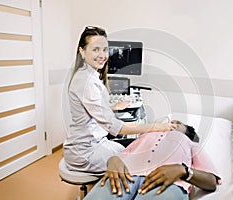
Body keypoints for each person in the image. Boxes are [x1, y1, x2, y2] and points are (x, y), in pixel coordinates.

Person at [63, 26, 175, 174]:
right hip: (86, 153)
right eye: (95, 49)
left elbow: (93, 109)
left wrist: (113, 107)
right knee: (141, 158)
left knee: (136, 147)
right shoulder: (85, 81)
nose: (102, 55)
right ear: (82, 51)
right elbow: (115, 127)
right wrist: (156, 126)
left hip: (95, 143)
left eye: (105, 49)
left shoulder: (88, 75)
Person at [84, 120, 221, 200]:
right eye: (171, 121)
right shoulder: (146, 136)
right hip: (125, 176)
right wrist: (112, 160)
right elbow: (123, 154)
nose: (173, 123)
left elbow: (211, 182)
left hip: (169, 183)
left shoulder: (189, 143)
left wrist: (183, 170)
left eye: (178, 123)